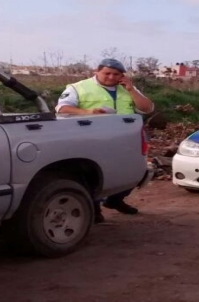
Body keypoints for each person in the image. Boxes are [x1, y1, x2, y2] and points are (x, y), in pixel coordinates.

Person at [56, 58, 154, 223]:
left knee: (136, 170)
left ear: (122, 75)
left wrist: (131, 89)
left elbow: (147, 108)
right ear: (97, 71)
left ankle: (114, 200)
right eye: (107, 73)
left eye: (116, 74)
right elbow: (62, 109)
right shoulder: (78, 87)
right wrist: (87, 112)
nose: (111, 77)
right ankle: (94, 208)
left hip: (126, 138)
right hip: (93, 137)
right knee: (93, 172)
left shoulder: (128, 88)